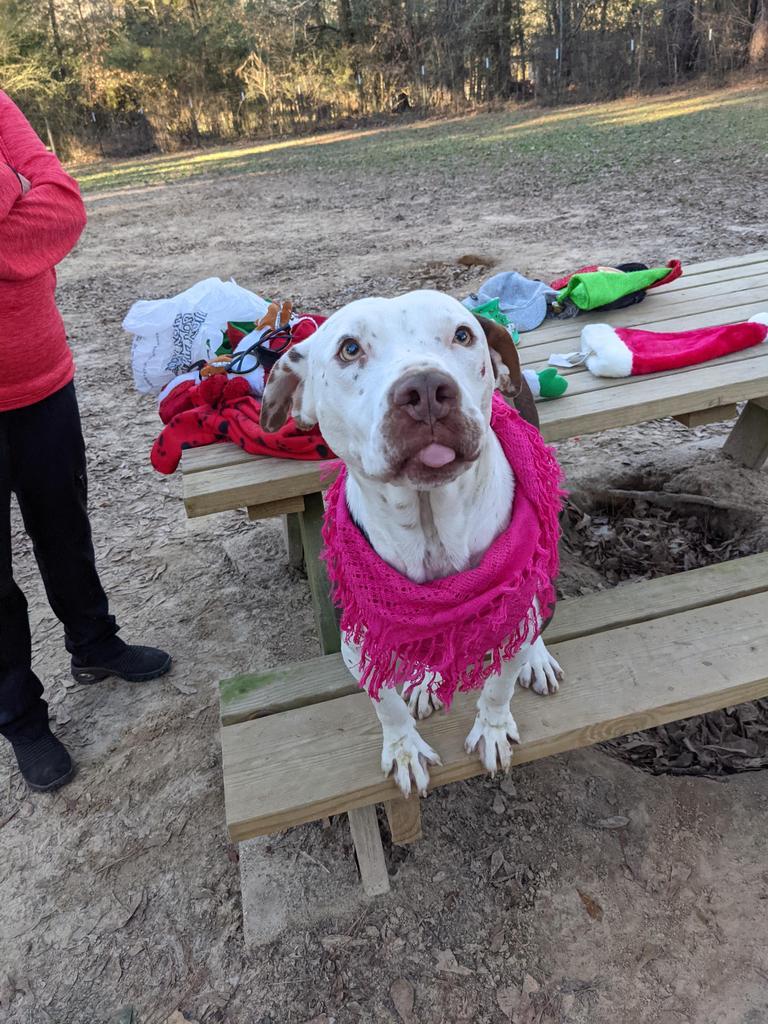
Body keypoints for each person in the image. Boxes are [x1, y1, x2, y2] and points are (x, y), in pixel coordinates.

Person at [0, 91, 171, 793]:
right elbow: (39, 210)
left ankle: (94, 643)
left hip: (43, 378)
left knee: (65, 525)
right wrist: (19, 227)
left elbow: (64, 204)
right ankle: (20, 717)